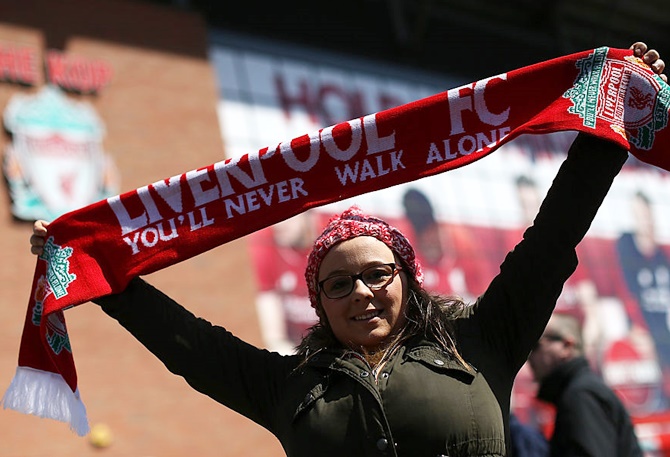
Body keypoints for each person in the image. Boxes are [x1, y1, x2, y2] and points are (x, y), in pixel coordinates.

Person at [29, 43, 666, 457]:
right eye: (338, 283)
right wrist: (90, 263)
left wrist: (612, 124)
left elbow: (550, 242)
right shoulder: (285, 386)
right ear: (318, 302)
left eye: (377, 274)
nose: (360, 291)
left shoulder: (483, 339)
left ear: (407, 279)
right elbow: (185, 342)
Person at [528, 312, 643, 456]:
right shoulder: (579, 391)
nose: (528, 355)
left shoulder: (581, 395)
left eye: (536, 345)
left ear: (566, 346)